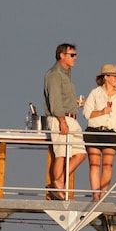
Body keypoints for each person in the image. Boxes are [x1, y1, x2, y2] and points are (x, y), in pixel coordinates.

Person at [82, 63, 116, 200]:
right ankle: (95, 196)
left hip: (112, 133)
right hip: (94, 131)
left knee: (108, 165)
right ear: (106, 77)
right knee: (94, 165)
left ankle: (103, 195)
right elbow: (86, 113)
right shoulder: (95, 93)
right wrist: (102, 111)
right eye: (114, 76)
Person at [43, 43, 86, 200]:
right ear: (62, 55)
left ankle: (58, 182)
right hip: (60, 118)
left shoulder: (67, 74)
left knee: (80, 153)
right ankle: (57, 185)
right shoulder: (54, 74)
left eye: (75, 55)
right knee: (60, 154)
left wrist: (76, 103)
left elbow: (63, 98)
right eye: (72, 55)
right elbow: (55, 101)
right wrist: (62, 120)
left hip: (71, 117)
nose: (75, 58)